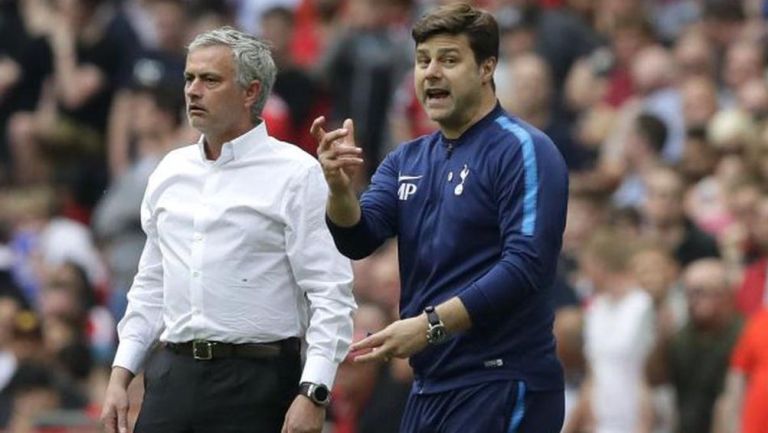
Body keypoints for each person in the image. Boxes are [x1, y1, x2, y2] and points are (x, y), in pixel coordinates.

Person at [312, 4, 569, 433]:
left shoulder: (524, 149)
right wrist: (339, 188)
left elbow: (527, 264)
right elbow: (357, 238)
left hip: (502, 379)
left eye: (449, 60)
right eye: (422, 60)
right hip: (431, 387)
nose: (431, 72)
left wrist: (431, 326)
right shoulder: (407, 158)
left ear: (487, 68)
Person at [99, 27, 356, 433]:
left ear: (251, 92)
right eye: (189, 78)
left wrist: (314, 391)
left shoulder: (297, 173)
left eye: (210, 80)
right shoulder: (169, 171)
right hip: (173, 378)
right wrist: (120, 373)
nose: (192, 90)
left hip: (258, 381)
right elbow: (151, 285)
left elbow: (330, 291)